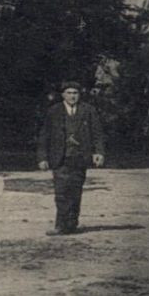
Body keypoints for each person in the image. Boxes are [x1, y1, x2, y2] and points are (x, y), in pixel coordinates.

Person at [37, 80, 106, 235]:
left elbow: (97, 134)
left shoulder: (88, 110)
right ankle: (61, 225)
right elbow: (44, 136)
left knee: (76, 191)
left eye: (75, 93)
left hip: (80, 157)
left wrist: (99, 152)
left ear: (79, 95)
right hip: (60, 158)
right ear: (63, 95)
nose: (72, 96)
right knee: (61, 192)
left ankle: (72, 223)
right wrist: (42, 157)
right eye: (69, 93)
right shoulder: (53, 111)